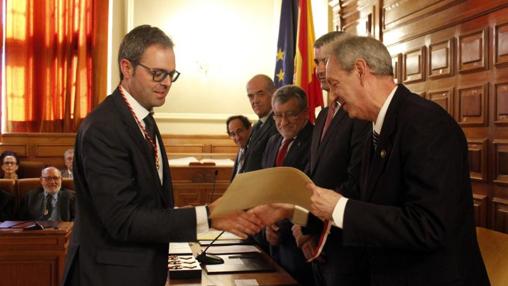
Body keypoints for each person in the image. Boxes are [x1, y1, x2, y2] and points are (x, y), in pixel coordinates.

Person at [62, 25, 263, 286]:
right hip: (109, 275)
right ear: (127, 67)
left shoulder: (142, 118)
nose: (166, 83)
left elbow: (151, 204)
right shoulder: (105, 127)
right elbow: (123, 220)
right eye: (157, 74)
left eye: (170, 75)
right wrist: (208, 215)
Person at [308, 35, 489, 285]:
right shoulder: (376, 126)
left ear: (361, 70)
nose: (334, 97)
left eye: (335, 84)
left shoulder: (425, 123)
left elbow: (428, 226)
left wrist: (340, 208)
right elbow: (371, 202)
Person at [293, 31, 370, 286]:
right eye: (316, 62)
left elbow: (355, 182)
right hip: (318, 246)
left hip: (343, 246)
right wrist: (299, 222)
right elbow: (312, 177)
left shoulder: (358, 113)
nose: (319, 69)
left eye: (325, 61)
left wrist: (308, 228)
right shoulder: (324, 113)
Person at [261, 85, 314, 286]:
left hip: (299, 237)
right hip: (272, 235)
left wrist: (280, 227)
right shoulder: (273, 141)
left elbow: (306, 192)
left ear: (304, 113)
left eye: (290, 115)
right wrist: (268, 223)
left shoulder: (315, 140)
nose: (283, 122)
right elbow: (268, 187)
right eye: (277, 115)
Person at [240, 74, 278, 173]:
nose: (255, 101)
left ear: (274, 94)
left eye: (260, 94)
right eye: (251, 96)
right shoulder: (257, 125)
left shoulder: (278, 125)